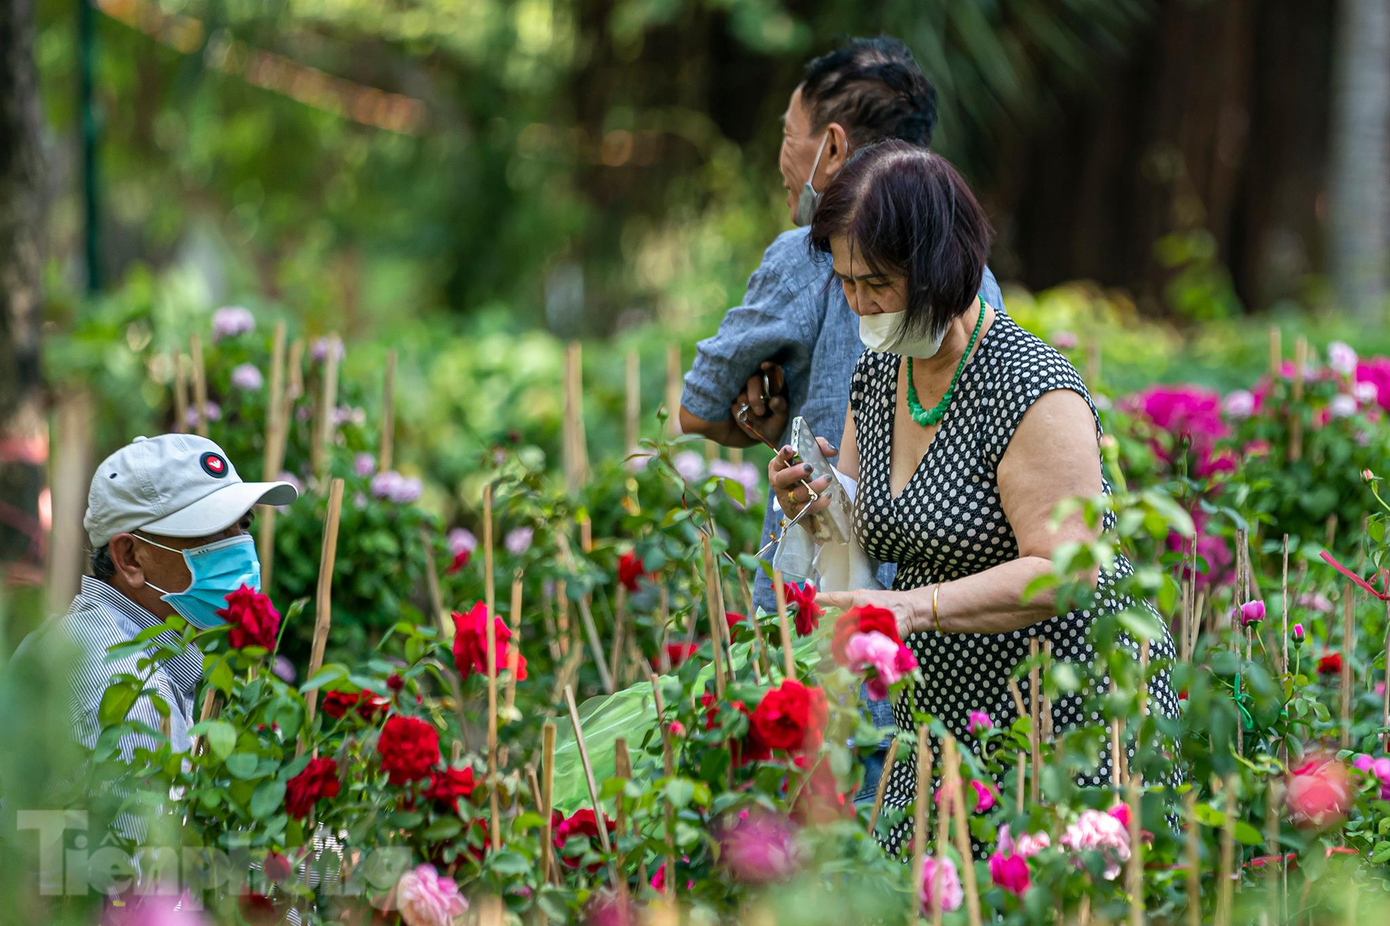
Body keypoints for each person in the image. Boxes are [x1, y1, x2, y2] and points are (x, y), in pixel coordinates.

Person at [769, 140, 1179, 855]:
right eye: (845, 282)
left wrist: (906, 608)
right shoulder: (881, 374)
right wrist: (816, 499)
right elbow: (870, 525)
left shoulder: (1029, 385)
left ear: (936, 268)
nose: (859, 304)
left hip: (1061, 712)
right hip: (943, 711)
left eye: (877, 284)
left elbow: (1067, 568)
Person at [678, 36, 1004, 616]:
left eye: (787, 133)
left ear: (831, 145)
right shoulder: (972, 275)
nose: (860, 305)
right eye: (852, 284)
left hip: (845, 609)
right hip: (942, 609)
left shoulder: (803, 257)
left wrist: (765, 422)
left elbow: (699, 407)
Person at [49, 433, 297, 758]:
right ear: (130, 558)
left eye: (244, 524)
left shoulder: (78, 639)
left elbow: (43, 813)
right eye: (211, 530)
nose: (239, 546)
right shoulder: (133, 698)